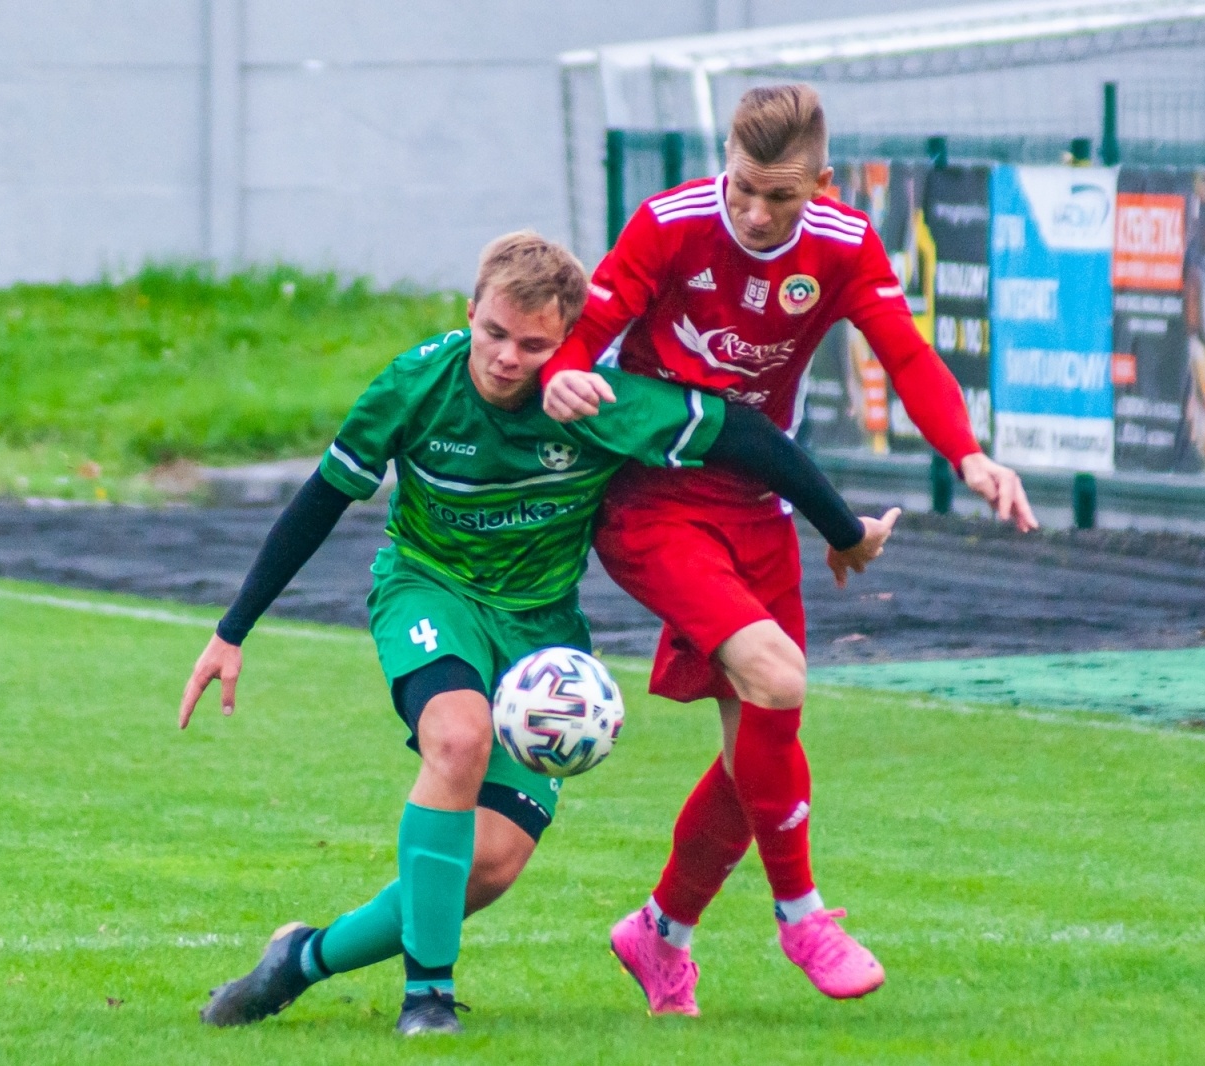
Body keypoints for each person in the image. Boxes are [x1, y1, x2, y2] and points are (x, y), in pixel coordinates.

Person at [178, 230, 896, 1035]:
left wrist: (841, 530)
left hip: (541, 632)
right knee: (458, 739)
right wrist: (232, 630)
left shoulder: (596, 402)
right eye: (494, 334)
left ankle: (302, 960)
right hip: (430, 590)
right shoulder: (418, 382)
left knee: (487, 867)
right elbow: (321, 500)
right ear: (471, 312)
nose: (508, 359)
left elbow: (748, 436)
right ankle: (429, 998)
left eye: (534, 345)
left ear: (567, 343)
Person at [538, 84, 1037, 1016]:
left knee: (756, 749)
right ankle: (803, 916)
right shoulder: (669, 224)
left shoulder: (844, 244)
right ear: (723, 163)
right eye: (743, 189)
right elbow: (583, 343)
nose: (758, 214)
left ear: (823, 183)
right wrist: (567, 380)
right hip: (655, 502)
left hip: (759, 505)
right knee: (778, 676)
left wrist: (967, 453)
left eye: (782, 196)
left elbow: (909, 357)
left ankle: (660, 935)